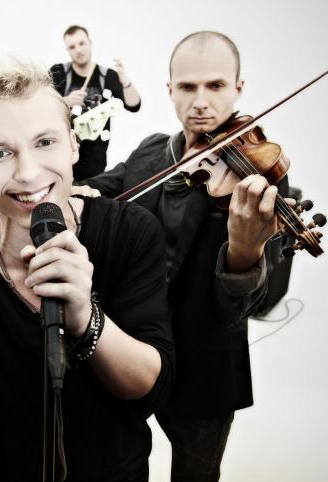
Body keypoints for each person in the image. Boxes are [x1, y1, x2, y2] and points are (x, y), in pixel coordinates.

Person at [0, 58, 174, 481]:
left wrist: (86, 318)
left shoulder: (131, 232)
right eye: (0, 153)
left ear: (73, 145)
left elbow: (149, 387)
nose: (28, 173)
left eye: (44, 142)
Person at [78, 31, 290, 481]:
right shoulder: (152, 151)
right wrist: (73, 187)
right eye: (188, 87)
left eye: (216, 85)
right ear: (169, 89)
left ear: (238, 89)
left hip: (205, 367)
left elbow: (253, 302)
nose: (201, 102)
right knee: (114, 466)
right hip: (130, 350)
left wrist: (244, 252)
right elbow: (101, 188)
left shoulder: (257, 176)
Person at [50, 25, 141, 181]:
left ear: (90, 43)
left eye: (81, 43)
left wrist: (125, 81)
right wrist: (65, 101)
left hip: (94, 161)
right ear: (67, 50)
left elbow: (134, 105)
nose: (78, 50)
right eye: (72, 47)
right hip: (61, 155)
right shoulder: (58, 72)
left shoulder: (107, 76)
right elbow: (39, 107)